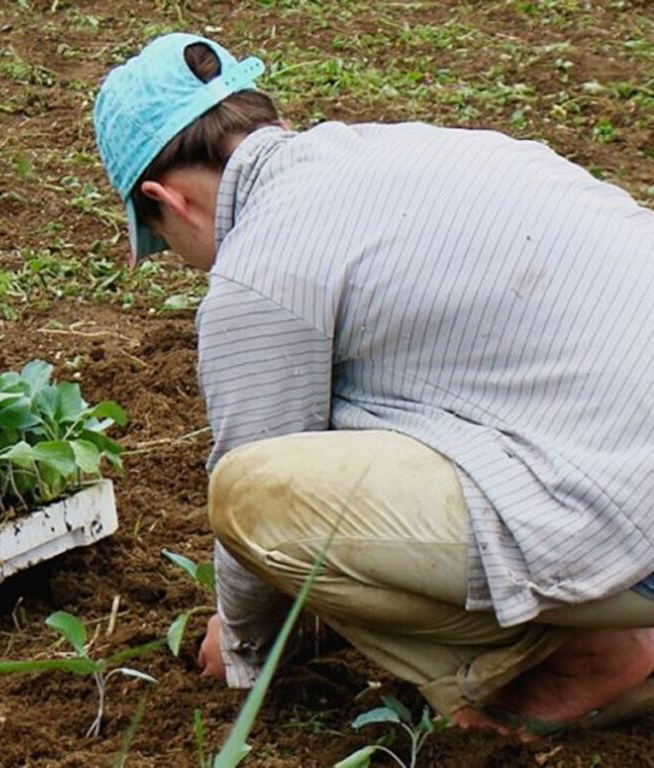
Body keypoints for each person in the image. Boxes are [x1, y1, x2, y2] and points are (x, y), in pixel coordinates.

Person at [92, 32, 654, 735]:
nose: (186, 262)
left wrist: (240, 647)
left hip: (630, 519)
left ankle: (581, 657)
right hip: (624, 448)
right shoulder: (407, 148)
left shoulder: (260, 268)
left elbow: (255, 480)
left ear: (169, 201)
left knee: (252, 500)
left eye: (168, 246)